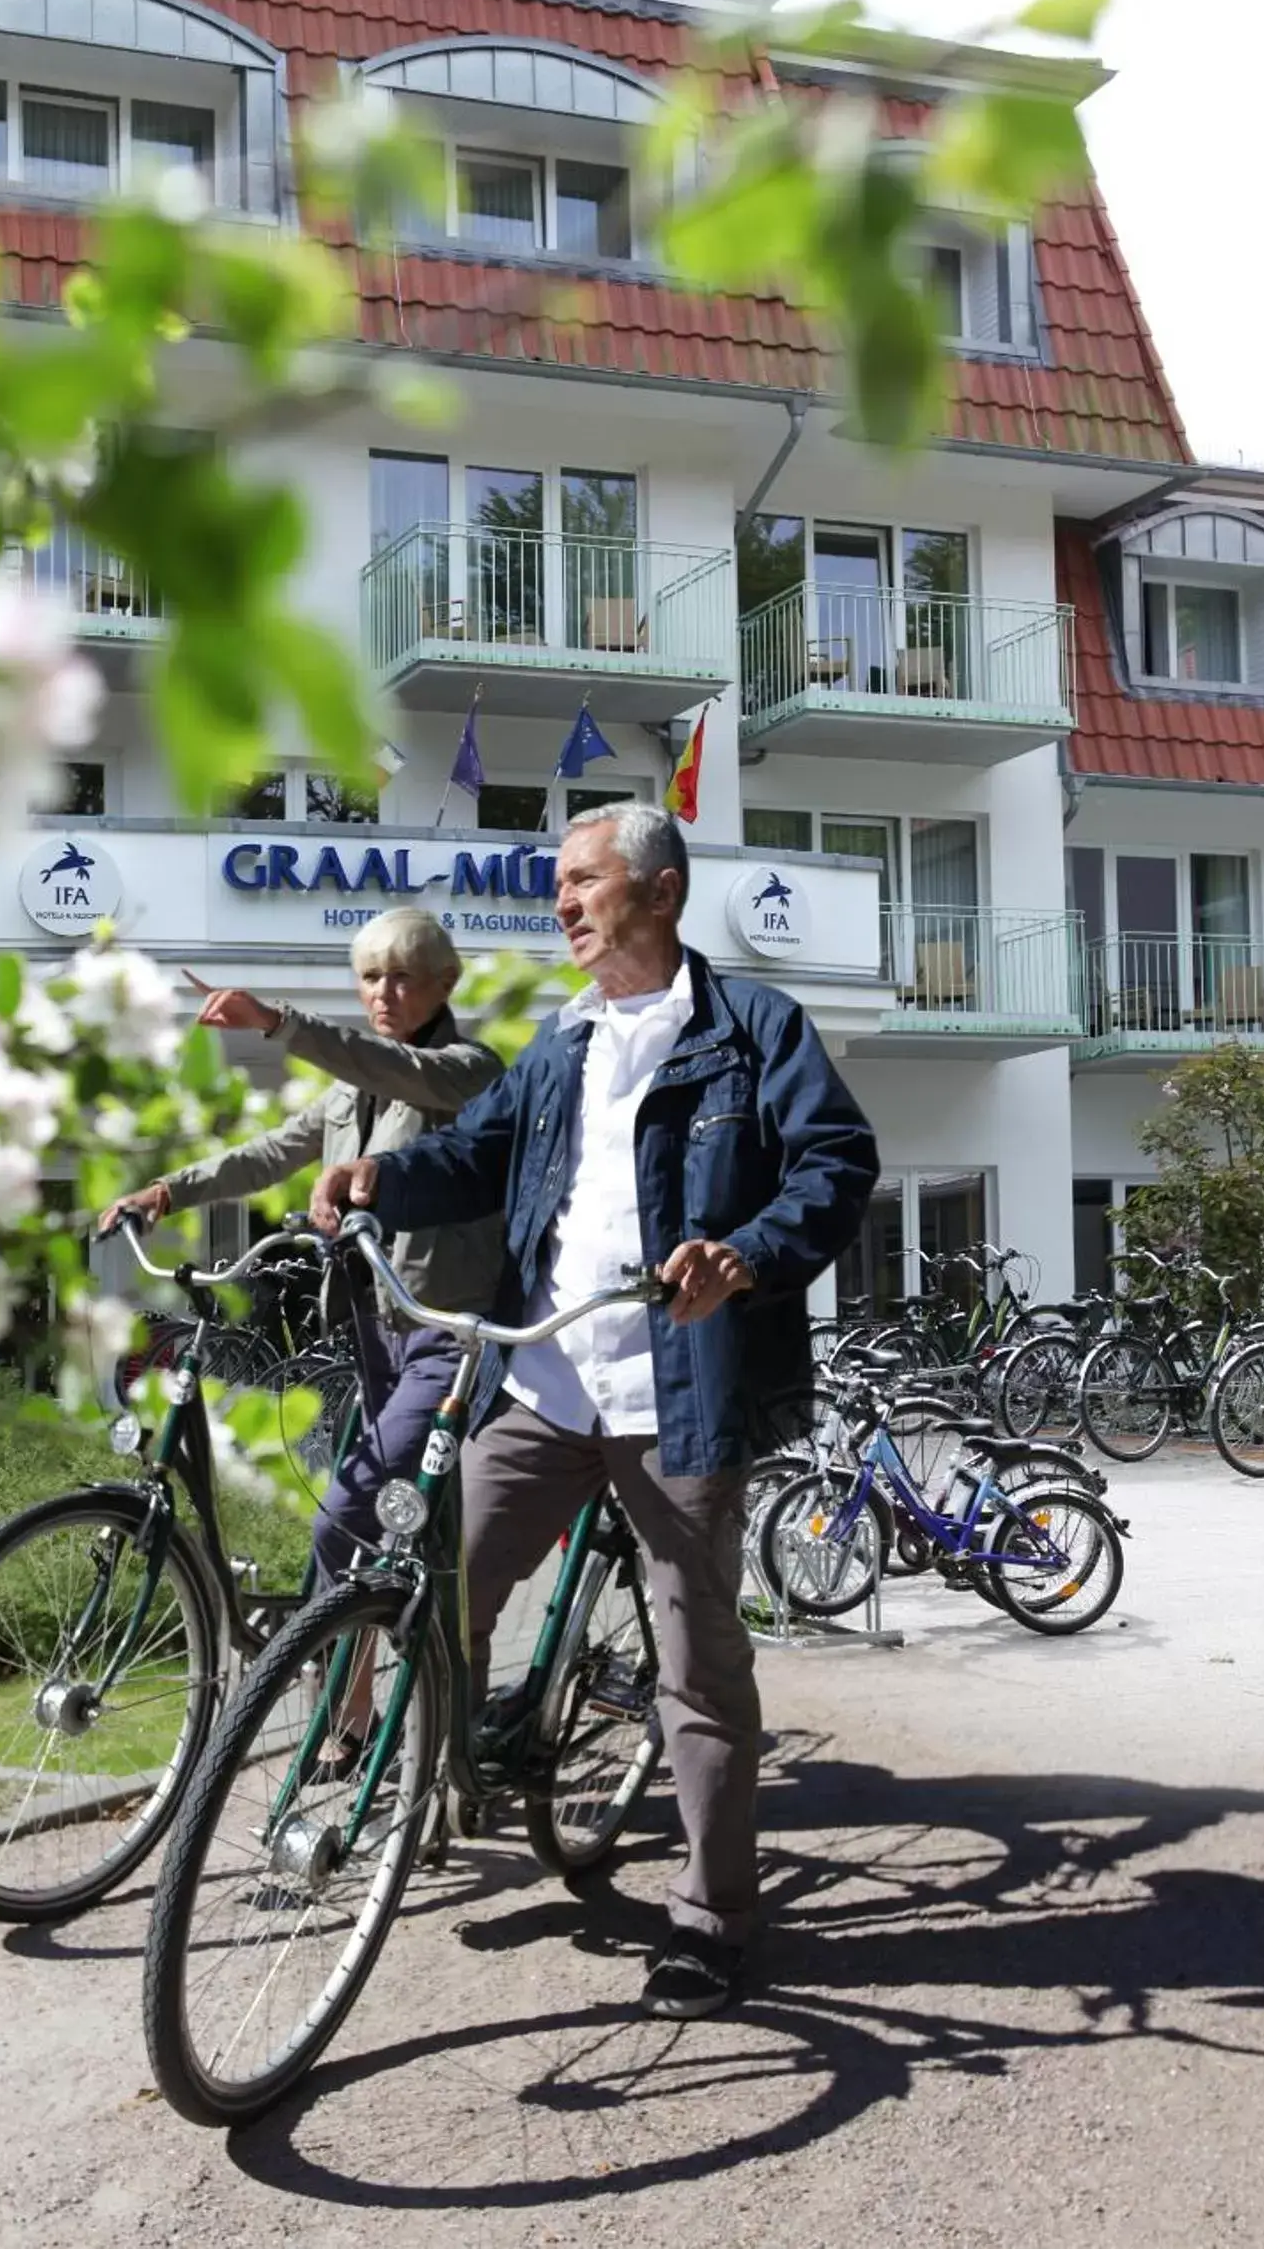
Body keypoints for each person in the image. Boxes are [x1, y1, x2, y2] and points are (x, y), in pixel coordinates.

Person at [310, 803, 878, 2018]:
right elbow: (480, 1159)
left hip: (678, 1396)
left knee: (696, 1660)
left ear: (659, 894)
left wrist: (748, 1251)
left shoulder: (752, 1029)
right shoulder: (561, 1043)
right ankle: (446, 1771)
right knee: (430, 1580)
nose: (562, 902)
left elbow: (836, 1162)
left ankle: (714, 1914)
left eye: (583, 880)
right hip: (546, 1382)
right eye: (557, 884)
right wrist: (379, 1173)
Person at [101, 908, 504, 1586]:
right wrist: (166, 1192)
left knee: (347, 1513)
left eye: (402, 978)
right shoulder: (350, 1091)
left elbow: (398, 1067)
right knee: (409, 1522)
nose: (382, 993)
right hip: (373, 1331)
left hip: (444, 1334)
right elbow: (270, 1152)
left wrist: (277, 1021)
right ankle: (416, 1678)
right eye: (370, 977)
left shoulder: (467, 1071)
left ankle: (320, 1677)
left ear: (446, 983)